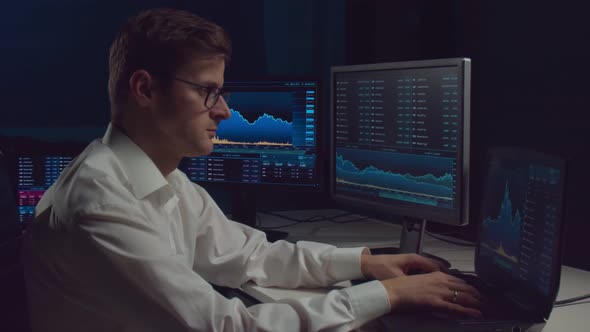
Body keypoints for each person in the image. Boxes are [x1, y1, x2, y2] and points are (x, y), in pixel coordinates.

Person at [22, 8, 481, 332]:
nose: (222, 110)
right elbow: (229, 328)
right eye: (207, 91)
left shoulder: (164, 181)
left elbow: (251, 255)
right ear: (144, 88)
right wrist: (391, 296)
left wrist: (364, 263)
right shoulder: (101, 206)